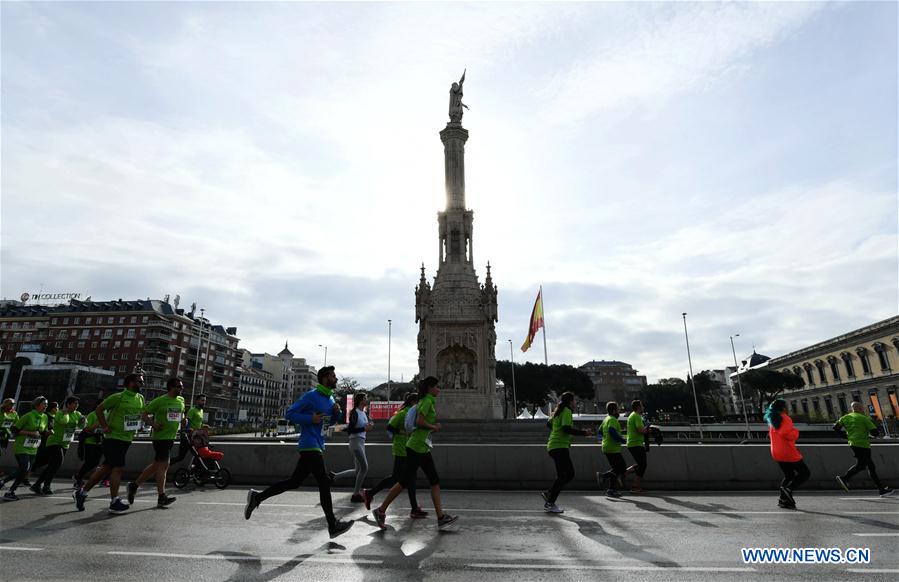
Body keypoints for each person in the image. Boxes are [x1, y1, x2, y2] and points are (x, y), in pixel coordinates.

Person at [244, 366, 353, 539]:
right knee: (324, 484)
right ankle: (333, 525)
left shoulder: (330, 398)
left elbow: (326, 424)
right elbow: (290, 413)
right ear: (325, 378)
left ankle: (257, 497)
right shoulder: (311, 396)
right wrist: (310, 418)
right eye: (333, 376)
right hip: (309, 445)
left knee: (294, 482)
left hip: (318, 443)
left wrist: (336, 414)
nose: (336, 379)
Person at [373, 376, 458, 530]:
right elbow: (419, 422)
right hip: (416, 447)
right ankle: (380, 510)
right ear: (430, 388)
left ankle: (441, 517)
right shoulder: (427, 401)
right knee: (404, 482)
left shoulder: (425, 401)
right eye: (437, 386)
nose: (439, 389)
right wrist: (434, 427)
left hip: (421, 447)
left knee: (434, 480)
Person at [73, 373, 146, 514]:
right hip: (113, 438)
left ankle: (81, 493)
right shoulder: (118, 397)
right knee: (118, 468)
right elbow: (99, 409)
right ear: (130, 382)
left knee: (106, 468)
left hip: (127, 438)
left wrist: (139, 425)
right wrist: (104, 425)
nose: (142, 384)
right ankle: (114, 501)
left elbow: (138, 414)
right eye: (140, 382)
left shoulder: (140, 398)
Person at [362, 393, 426, 517]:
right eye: (418, 402)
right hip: (401, 449)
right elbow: (389, 427)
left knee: (410, 478)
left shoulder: (414, 414)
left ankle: (414, 509)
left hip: (409, 449)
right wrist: (403, 432)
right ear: (413, 402)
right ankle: (370, 493)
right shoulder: (403, 413)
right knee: (397, 477)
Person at [127, 378, 185, 508]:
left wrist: (183, 421)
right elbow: (144, 413)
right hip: (160, 438)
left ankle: (134, 485)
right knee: (164, 466)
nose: (181, 389)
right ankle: (161, 497)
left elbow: (180, 414)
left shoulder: (181, 400)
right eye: (178, 387)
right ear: (170, 387)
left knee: (156, 465)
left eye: (181, 387)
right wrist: (152, 423)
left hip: (171, 437)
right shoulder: (160, 401)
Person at [542, 392, 593, 513]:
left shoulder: (558, 411)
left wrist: (556, 431)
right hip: (559, 446)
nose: (575, 403)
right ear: (570, 402)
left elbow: (548, 424)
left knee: (566, 474)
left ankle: (550, 494)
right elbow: (566, 429)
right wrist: (584, 433)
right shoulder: (567, 411)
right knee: (567, 474)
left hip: (554, 446)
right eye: (574, 401)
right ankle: (550, 501)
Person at [834, 402, 893, 497]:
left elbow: (836, 428)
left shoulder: (845, 417)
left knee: (869, 466)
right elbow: (875, 433)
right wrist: (876, 434)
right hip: (863, 445)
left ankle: (881, 489)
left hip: (852, 443)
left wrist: (845, 436)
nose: (863, 409)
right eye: (862, 407)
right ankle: (844, 478)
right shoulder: (864, 418)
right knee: (863, 465)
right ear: (860, 408)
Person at [32, 396, 82, 495]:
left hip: (65, 443)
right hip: (54, 442)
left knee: (53, 465)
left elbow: (82, 426)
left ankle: (37, 484)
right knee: (58, 462)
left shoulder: (78, 414)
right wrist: (65, 412)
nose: (76, 406)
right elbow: (64, 421)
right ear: (68, 404)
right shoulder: (60, 413)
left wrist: (83, 421)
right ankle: (47, 485)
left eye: (77, 404)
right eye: (74, 403)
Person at [765, 398, 810, 509]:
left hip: (776, 452)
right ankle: (788, 489)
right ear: (783, 408)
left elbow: (773, 435)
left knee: (789, 475)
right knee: (805, 473)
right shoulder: (785, 418)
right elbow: (786, 434)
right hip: (787, 451)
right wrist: (795, 432)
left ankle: (783, 500)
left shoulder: (772, 420)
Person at [2, 397, 48, 501]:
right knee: (24, 468)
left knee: (24, 471)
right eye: (44, 404)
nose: (46, 406)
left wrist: (48, 433)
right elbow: (14, 429)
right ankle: (10, 492)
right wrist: (30, 433)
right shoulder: (28, 416)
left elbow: (42, 432)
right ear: (36, 405)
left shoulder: (45, 417)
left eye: (46, 404)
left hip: (33, 448)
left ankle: (3, 482)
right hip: (21, 446)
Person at [333, 392, 373, 502]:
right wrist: (365, 429)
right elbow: (351, 430)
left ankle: (334, 476)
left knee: (357, 470)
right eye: (365, 398)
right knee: (364, 468)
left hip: (361, 442)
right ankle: (355, 495)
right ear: (361, 400)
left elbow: (364, 426)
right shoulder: (354, 412)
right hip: (355, 443)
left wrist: (369, 425)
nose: (367, 400)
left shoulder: (363, 413)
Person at [598, 401, 628, 498]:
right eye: (618, 409)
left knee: (616, 469)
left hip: (607, 447)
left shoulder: (606, 419)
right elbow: (612, 431)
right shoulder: (613, 420)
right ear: (614, 410)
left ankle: (611, 490)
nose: (619, 411)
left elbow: (599, 431)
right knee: (622, 468)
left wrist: (605, 439)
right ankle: (602, 476)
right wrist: (622, 440)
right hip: (612, 448)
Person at [72, 405, 103, 489]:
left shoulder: (106, 415)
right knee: (89, 462)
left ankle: (78, 476)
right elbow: (86, 429)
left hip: (99, 442)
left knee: (95, 463)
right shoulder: (92, 415)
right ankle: (78, 479)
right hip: (89, 442)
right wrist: (96, 425)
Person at [625, 400, 652, 493]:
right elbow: (641, 430)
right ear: (638, 407)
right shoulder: (636, 416)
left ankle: (623, 474)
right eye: (642, 406)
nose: (643, 407)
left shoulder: (633, 415)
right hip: (636, 443)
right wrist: (648, 427)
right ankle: (635, 486)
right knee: (643, 465)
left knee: (641, 464)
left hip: (634, 443)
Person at [171, 393, 206, 464]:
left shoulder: (201, 411)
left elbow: (198, 424)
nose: (204, 402)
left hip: (195, 437)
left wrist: (204, 426)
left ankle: (193, 471)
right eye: (202, 400)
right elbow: (187, 424)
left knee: (198, 455)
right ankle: (165, 466)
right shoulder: (192, 410)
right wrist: (189, 429)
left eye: (205, 401)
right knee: (181, 457)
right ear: (197, 401)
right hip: (187, 437)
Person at [0, 398, 20, 486]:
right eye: (11, 404)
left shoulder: (14, 413)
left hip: (5, 437)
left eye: (13, 404)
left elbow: (17, 424)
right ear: (5, 404)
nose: (12, 406)